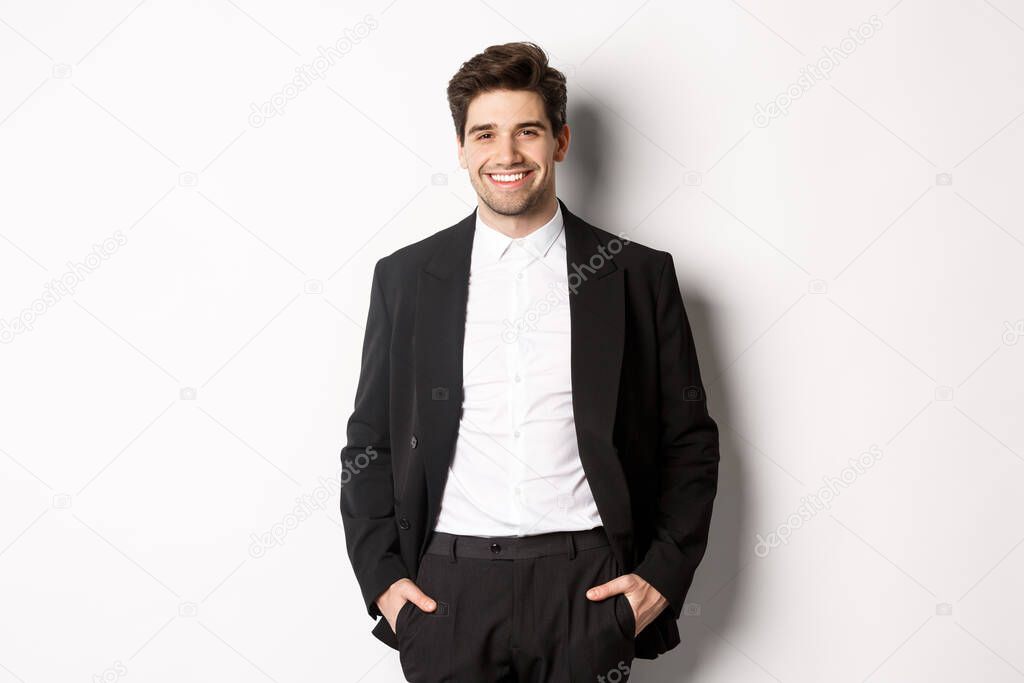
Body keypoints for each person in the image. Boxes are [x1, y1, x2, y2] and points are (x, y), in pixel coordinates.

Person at [339, 41, 720, 682]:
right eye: (484, 134)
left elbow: (689, 443)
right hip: (446, 596)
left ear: (560, 142)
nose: (507, 154)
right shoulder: (405, 278)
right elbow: (369, 443)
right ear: (461, 149)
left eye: (528, 132)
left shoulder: (637, 275)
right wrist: (384, 581)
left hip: (589, 592)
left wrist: (660, 575)